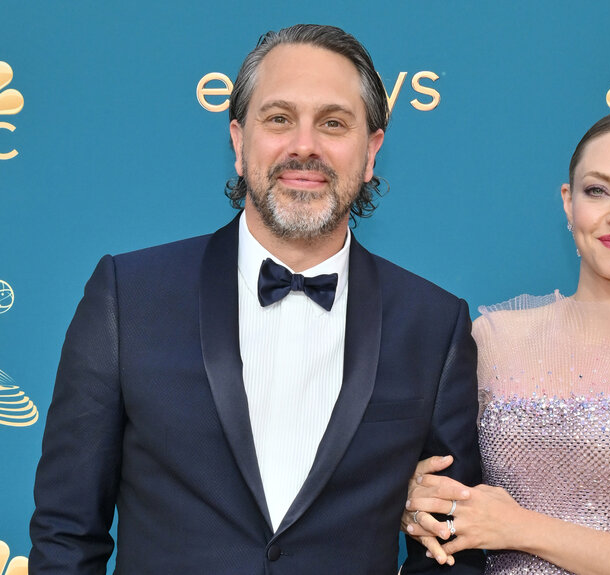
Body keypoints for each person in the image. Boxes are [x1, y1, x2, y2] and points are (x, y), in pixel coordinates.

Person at [30, 24, 484, 574]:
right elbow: (65, 535)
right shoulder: (128, 297)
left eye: (334, 123)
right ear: (240, 143)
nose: (304, 145)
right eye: (279, 119)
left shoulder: (434, 324)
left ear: (371, 153)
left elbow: (449, 549)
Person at [402, 110, 610, 574]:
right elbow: (440, 489)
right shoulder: (492, 338)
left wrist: (519, 527)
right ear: (568, 202)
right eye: (597, 190)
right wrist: (413, 496)